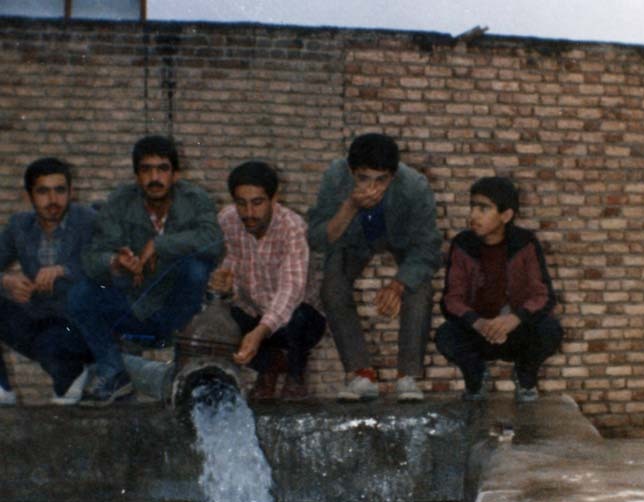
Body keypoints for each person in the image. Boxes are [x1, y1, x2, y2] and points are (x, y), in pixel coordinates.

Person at [68, 135, 223, 406]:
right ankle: (114, 372)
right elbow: (92, 257)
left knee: (196, 268)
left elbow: (213, 241)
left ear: (175, 174)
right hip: (133, 307)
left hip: (178, 313)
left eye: (162, 169)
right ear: (137, 176)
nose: (154, 177)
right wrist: (115, 261)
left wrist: (160, 245)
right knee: (80, 293)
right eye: (146, 170)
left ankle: (185, 365)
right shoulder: (120, 202)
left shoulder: (194, 199)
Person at [308, 133, 441, 402]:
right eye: (363, 178)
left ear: (394, 175)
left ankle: (407, 377)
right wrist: (349, 206)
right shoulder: (335, 177)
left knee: (419, 287)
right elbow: (317, 239)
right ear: (350, 171)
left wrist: (398, 284)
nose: (372, 188)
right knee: (332, 285)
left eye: (381, 180)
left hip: (400, 239)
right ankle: (362, 375)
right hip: (354, 240)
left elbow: (428, 248)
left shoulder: (415, 186)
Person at [436, 176, 562, 402]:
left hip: (516, 330)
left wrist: (515, 319)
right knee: (446, 335)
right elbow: (451, 299)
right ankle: (476, 380)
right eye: (472, 206)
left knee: (550, 329)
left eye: (483, 208)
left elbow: (542, 295)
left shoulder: (525, 243)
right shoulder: (462, 244)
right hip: (478, 331)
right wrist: (478, 322)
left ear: (506, 215)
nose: (473, 215)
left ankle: (525, 378)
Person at [208, 161, 326, 400]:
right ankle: (269, 368)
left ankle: (295, 375)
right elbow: (229, 267)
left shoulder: (292, 227)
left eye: (257, 203)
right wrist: (224, 285)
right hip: (253, 312)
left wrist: (260, 332)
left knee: (300, 317)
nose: (249, 213)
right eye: (241, 203)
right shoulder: (227, 220)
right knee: (216, 321)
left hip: (295, 319)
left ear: (274, 199)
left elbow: (290, 291)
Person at [0, 157, 96, 405]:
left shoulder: (89, 221)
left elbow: (110, 267)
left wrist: (64, 270)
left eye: (60, 190)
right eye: (43, 191)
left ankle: (72, 376)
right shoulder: (19, 226)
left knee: (53, 345)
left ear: (71, 192)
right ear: (28, 196)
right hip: (38, 319)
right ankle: (2, 389)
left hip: (78, 324)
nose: (53, 200)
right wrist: (6, 281)